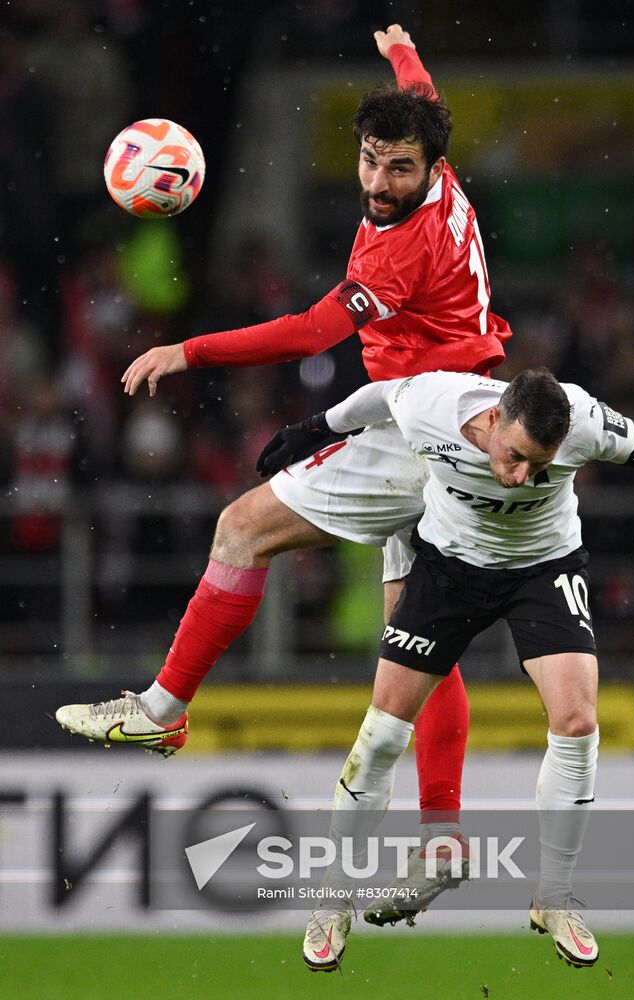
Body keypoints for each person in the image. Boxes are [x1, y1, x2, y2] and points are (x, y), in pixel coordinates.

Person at [55, 24, 511, 901]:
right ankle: (444, 836)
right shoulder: (434, 152)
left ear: (430, 166)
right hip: (467, 422)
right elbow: (422, 93)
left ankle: (162, 712)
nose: (379, 183)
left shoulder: (399, 247)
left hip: (423, 427)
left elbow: (309, 332)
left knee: (239, 529)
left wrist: (189, 350)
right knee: (417, 646)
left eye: (398, 171)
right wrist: (401, 54)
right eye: (370, 163)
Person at [254, 367, 634, 972]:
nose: (520, 476)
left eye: (540, 466)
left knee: (579, 721)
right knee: (380, 737)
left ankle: (554, 898)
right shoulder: (433, 403)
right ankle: (332, 899)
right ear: (495, 417)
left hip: (542, 569)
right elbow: (378, 397)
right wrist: (312, 429)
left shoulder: (582, 421)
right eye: (515, 457)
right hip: (449, 569)